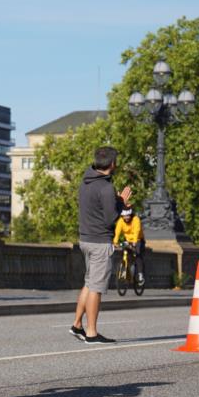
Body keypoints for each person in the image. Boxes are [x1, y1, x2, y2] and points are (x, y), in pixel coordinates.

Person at [70, 147, 132, 344]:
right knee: (96, 288)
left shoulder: (85, 182)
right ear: (112, 164)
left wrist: (116, 201)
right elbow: (110, 219)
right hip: (100, 242)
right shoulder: (106, 188)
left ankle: (77, 325)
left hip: (85, 239)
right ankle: (91, 333)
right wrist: (121, 203)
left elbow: (96, 208)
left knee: (89, 283)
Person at [113, 207, 145, 285]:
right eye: (124, 216)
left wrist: (134, 242)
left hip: (138, 239)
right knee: (123, 252)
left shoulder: (136, 219)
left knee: (137, 254)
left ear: (130, 215)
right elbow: (117, 232)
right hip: (128, 240)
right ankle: (125, 268)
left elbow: (137, 231)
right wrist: (115, 242)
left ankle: (140, 274)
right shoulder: (120, 221)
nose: (126, 218)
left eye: (128, 216)